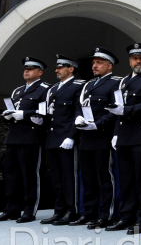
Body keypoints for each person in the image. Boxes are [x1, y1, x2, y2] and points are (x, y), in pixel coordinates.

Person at [105, 43, 141, 235]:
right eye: (135, 58)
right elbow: (117, 111)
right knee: (126, 179)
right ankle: (126, 217)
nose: (138, 61)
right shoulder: (123, 82)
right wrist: (115, 133)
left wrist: (127, 110)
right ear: (130, 61)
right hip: (124, 136)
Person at [0, 57, 50, 223]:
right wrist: (7, 116)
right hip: (14, 136)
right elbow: (12, 110)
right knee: (11, 174)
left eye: (30, 69)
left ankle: (29, 210)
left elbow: (44, 113)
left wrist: (24, 114)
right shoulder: (17, 91)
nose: (26, 71)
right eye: (25, 68)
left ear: (39, 72)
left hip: (30, 137)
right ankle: (11, 209)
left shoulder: (45, 89)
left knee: (30, 175)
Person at [74, 47, 121, 229]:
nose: (95, 66)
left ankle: (105, 215)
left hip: (103, 136)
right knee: (88, 178)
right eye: (94, 63)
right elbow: (79, 105)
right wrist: (78, 117)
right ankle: (89, 213)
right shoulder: (87, 85)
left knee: (104, 178)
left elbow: (116, 110)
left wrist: (99, 124)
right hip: (86, 137)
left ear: (109, 66)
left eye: (99, 63)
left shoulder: (116, 83)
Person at [40, 54, 85, 226]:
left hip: (66, 138)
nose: (56, 70)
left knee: (69, 177)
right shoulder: (52, 89)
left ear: (71, 69)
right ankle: (58, 210)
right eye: (57, 67)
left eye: (60, 67)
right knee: (56, 178)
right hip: (53, 138)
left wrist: (71, 136)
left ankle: (72, 211)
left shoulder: (78, 86)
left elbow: (77, 112)